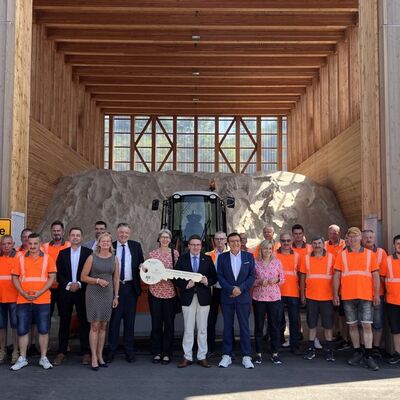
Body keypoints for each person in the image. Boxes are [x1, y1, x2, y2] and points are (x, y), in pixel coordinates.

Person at [333, 227, 380, 371]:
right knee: (352, 325)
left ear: (360, 238)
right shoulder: (342, 255)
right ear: (347, 239)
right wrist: (335, 294)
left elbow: (375, 276)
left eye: (356, 236)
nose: (353, 239)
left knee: (366, 325)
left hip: (365, 295)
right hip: (347, 296)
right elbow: (337, 276)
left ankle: (368, 355)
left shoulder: (370, 255)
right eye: (350, 236)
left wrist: (376, 294)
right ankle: (357, 352)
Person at [10, 233, 57, 370]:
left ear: (40, 244)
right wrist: (23, 293)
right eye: (30, 243)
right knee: (23, 330)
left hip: (42, 299)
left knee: (43, 329)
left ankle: (43, 358)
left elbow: (52, 278)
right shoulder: (20, 258)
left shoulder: (48, 258)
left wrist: (39, 293)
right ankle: (23, 358)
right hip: (23, 299)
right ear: (27, 244)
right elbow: (15, 278)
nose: (32, 246)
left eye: (35, 244)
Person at [175, 235, 216, 368]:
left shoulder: (207, 259)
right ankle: (187, 357)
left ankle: (202, 356)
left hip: (204, 298)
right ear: (188, 246)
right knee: (188, 328)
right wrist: (186, 285)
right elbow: (176, 277)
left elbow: (214, 277)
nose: (195, 247)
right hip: (188, 297)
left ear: (201, 246)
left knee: (203, 329)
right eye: (193, 244)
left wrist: (207, 282)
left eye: (198, 245)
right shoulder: (182, 259)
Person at [53, 227, 92, 366]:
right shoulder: (62, 253)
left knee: (84, 322)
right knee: (64, 321)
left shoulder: (88, 253)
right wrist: (69, 284)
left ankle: (86, 352)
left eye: (78, 235)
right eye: (73, 235)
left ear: (81, 237)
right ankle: (61, 352)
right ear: (69, 237)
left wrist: (80, 284)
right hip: (66, 292)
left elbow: (91, 272)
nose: (75, 237)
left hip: (83, 291)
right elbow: (58, 273)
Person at [81, 232, 119, 370]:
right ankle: (94, 358)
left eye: (108, 241)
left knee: (103, 326)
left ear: (111, 244)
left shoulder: (114, 259)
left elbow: (115, 279)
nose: (105, 243)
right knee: (95, 326)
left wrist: (116, 296)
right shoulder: (92, 257)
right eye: (103, 241)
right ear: (98, 243)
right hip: (93, 293)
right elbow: (83, 277)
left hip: (108, 294)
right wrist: (97, 280)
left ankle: (100, 355)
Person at [217, 232, 256, 369]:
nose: (235, 243)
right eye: (232, 241)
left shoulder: (249, 257)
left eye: (238, 241)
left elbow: (252, 276)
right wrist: (231, 289)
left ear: (241, 242)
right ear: (228, 243)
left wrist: (240, 289)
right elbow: (220, 277)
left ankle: (246, 356)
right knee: (227, 326)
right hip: (227, 297)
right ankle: (226, 355)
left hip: (243, 296)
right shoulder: (222, 258)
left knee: (244, 327)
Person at [106, 223, 144, 363]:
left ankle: (129, 351)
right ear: (117, 232)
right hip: (114, 289)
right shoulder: (110, 246)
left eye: (126, 233)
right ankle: (111, 351)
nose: (123, 235)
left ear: (130, 233)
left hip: (130, 288)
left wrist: (142, 267)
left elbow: (142, 263)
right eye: (121, 232)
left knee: (130, 322)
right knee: (114, 321)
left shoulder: (136, 246)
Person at [300, 237, 335, 361]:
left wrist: (336, 294)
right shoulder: (306, 258)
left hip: (327, 297)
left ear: (323, 244)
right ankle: (311, 349)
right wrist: (302, 294)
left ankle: (329, 350)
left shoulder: (331, 257)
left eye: (319, 243)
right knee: (311, 324)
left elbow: (336, 277)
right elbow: (303, 278)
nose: (317, 245)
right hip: (311, 297)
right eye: (314, 243)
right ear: (311, 245)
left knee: (328, 325)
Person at [146, 229, 179, 365]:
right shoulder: (152, 254)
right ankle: (156, 352)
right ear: (159, 239)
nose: (165, 239)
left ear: (170, 240)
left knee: (169, 324)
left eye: (167, 237)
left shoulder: (175, 253)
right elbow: (147, 271)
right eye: (162, 237)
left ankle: (167, 353)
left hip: (170, 293)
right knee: (156, 323)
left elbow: (177, 271)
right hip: (154, 292)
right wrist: (143, 268)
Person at [252, 240, 285, 365]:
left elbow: (283, 279)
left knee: (274, 326)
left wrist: (277, 280)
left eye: (270, 249)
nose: (267, 251)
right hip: (259, 298)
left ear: (272, 250)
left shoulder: (277, 262)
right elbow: (252, 280)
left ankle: (275, 353)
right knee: (259, 326)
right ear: (261, 250)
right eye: (265, 249)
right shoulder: (255, 263)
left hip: (274, 298)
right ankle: (258, 353)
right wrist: (259, 282)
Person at [361, 229, 387, 358]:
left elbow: (382, 275)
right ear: (362, 239)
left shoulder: (381, 253)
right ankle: (364, 348)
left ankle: (375, 348)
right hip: (362, 294)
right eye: (366, 237)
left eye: (371, 237)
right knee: (363, 323)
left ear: (374, 238)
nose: (368, 240)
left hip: (377, 294)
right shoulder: (358, 253)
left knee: (377, 323)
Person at [275, 232, 301, 354]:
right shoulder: (274, 255)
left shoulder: (297, 256)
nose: (286, 243)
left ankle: (295, 346)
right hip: (277, 293)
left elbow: (301, 275)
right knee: (277, 319)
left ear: (291, 242)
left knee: (294, 321)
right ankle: (277, 345)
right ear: (280, 241)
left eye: (288, 241)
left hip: (293, 292)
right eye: (283, 241)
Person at [205, 231, 228, 357]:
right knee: (210, 321)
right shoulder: (208, 255)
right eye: (217, 239)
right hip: (213, 291)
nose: (219, 241)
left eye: (222, 239)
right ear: (214, 241)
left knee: (228, 320)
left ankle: (227, 350)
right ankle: (210, 348)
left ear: (225, 240)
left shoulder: (231, 254)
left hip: (226, 291)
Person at [43, 220, 71, 321]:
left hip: (63, 286)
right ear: (51, 232)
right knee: (46, 315)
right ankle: (45, 336)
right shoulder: (44, 247)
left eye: (58, 230)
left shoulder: (69, 245)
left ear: (63, 232)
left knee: (64, 315)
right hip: (48, 286)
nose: (56, 233)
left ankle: (63, 337)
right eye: (54, 231)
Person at [0, 235, 19, 364]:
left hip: (14, 298)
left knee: (15, 325)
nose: (6, 246)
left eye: (8, 243)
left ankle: (15, 351)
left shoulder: (19, 258)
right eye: (3, 244)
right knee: (1, 326)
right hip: (1, 298)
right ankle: (2, 351)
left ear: (13, 244)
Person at [381, 235, 400, 364]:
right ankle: (398, 353)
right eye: (398, 243)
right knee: (395, 329)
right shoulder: (387, 260)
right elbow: (382, 278)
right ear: (394, 245)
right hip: (393, 301)